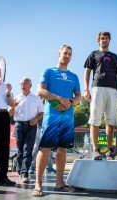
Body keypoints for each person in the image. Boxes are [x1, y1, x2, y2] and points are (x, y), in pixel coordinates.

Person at [32, 45, 81, 197]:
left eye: (70, 54)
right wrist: (59, 98)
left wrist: (71, 102)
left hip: (67, 117)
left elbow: (79, 96)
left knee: (62, 149)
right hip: (51, 115)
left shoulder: (74, 76)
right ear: (59, 53)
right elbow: (40, 91)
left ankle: (59, 183)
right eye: (65, 53)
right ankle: (38, 184)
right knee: (45, 149)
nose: (67, 56)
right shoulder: (49, 71)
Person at [84, 31, 117, 160]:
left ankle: (110, 150)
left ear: (109, 40)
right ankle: (95, 150)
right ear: (99, 40)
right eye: (102, 38)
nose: (104, 40)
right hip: (97, 88)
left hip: (113, 90)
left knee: (111, 121)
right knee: (95, 119)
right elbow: (87, 72)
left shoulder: (115, 56)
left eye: (106, 38)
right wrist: (86, 89)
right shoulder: (93, 54)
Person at [8, 77, 44, 183]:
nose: (23, 85)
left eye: (25, 83)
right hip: (19, 125)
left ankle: (25, 173)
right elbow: (10, 113)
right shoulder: (15, 98)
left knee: (28, 150)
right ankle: (20, 171)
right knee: (20, 151)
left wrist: (36, 119)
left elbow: (41, 112)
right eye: (21, 83)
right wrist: (13, 106)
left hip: (31, 126)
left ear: (30, 86)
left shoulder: (36, 98)